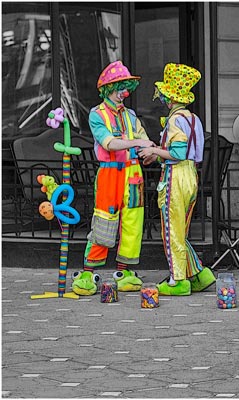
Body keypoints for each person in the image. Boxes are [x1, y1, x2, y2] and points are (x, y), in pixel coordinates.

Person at [72, 60, 156, 296]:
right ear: (108, 89)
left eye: (126, 87)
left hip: (133, 174)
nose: (124, 92)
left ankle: (124, 272)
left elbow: (143, 140)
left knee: (133, 222)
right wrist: (138, 142)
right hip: (110, 173)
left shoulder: (131, 115)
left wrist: (149, 153)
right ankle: (88, 273)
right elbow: (109, 143)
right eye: (120, 87)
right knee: (104, 222)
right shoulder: (96, 115)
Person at [138, 63, 216, 296]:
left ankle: (178, 281)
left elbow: (178, 153)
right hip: (191, 175)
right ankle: (199, 275)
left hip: (176, 177)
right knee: (180, 231)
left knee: (171, 232)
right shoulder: (193, 118)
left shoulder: (174, 120)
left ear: (170, 98)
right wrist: (158, 155)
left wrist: (153, 151)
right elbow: (188, 153)